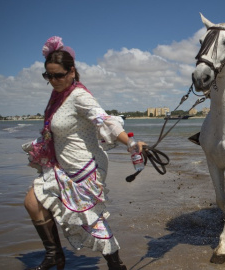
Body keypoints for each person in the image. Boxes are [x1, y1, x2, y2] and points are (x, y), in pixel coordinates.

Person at [22, 36, 145, 270]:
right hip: (62, 164)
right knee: (32, 202)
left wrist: (130, 143)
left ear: (71, 72)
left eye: (58, 75)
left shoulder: (79, 96)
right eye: (48, 76)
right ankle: (54, 255)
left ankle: (115, 264)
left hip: (84, 167)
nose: (53, 80)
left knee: (91, 221)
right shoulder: (58, 96)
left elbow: (105, 121)